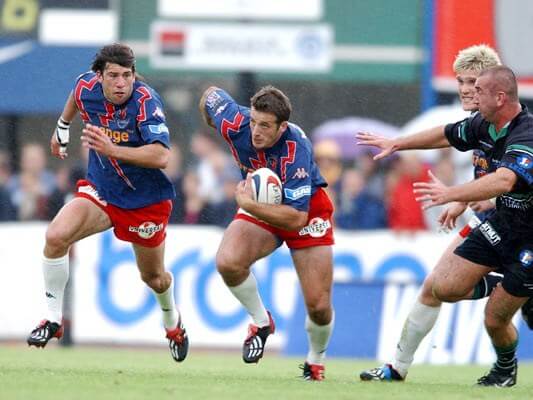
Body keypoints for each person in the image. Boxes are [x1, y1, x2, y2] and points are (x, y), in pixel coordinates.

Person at [359, 65, 533, 387]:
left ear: (500, 96)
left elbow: (506, 180)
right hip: (502, 224)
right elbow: (446, 133)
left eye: (476, 88)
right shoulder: (483, 124)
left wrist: (453, 194)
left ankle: (505, 370)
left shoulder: (527, 133)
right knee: (442, 287)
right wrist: (398, 143)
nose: (469, 93)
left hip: (530, 240)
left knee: (495, 319)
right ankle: (398, 368)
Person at [26, 43, 189, 363]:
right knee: (56, 237)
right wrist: (62, 127)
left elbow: (161, 155)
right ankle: (53, 319)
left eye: (126, 76)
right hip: (102, 189)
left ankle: (173, 323)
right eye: (113, 76)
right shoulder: (87, 85)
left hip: (145, 201)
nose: (120, 84)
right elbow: (76, 92)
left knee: (154, 278)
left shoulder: (145, 102)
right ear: (99, 76)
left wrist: (113, 150)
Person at [199, 85, 335, 381]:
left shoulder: (295, 148)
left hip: (305, 211)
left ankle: (315, 361)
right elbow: (210, 95)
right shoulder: (235, 122)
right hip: (260, 203)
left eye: (265, 126)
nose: (256, 132)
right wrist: (212, 123)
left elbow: (296, 218)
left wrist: (247, 203)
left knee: (319, 306)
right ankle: (261, 322)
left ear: (282, 126)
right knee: (228, 262)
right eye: (254, 122)